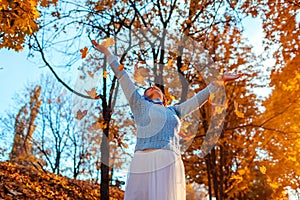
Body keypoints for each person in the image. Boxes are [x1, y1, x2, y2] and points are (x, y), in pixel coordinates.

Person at [93, 40, 242, 200]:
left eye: (157, 88)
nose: (153, 87)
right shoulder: (139, 105)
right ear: (144, 96)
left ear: (164, 98)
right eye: (148, 88)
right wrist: (108, 53)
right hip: (143, 158)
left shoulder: (174, 111)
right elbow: (123, 76)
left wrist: (220, 80)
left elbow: (198, 99)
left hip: (168, 159)